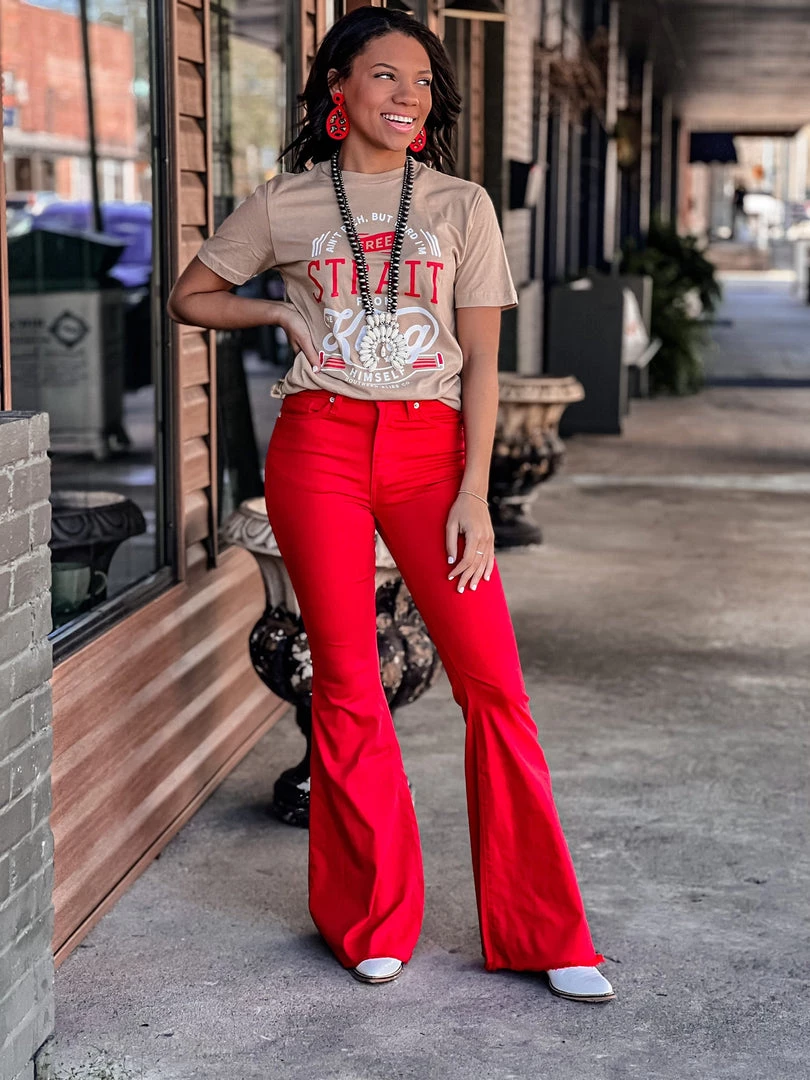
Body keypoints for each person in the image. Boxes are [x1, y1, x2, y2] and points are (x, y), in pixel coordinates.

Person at [168, 5, 614, 1003]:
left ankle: (547, 929)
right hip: (318, 446)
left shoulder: (461, 206)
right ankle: (370, 915)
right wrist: (278, 307)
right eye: (386, 77)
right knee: (349, 685)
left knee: (492, 683)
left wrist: (476, 491)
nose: (408, 97)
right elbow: (190, 295)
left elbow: (487, 363)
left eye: (422, 83)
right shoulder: (285, 203)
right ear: (339, 89)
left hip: (428, 451)